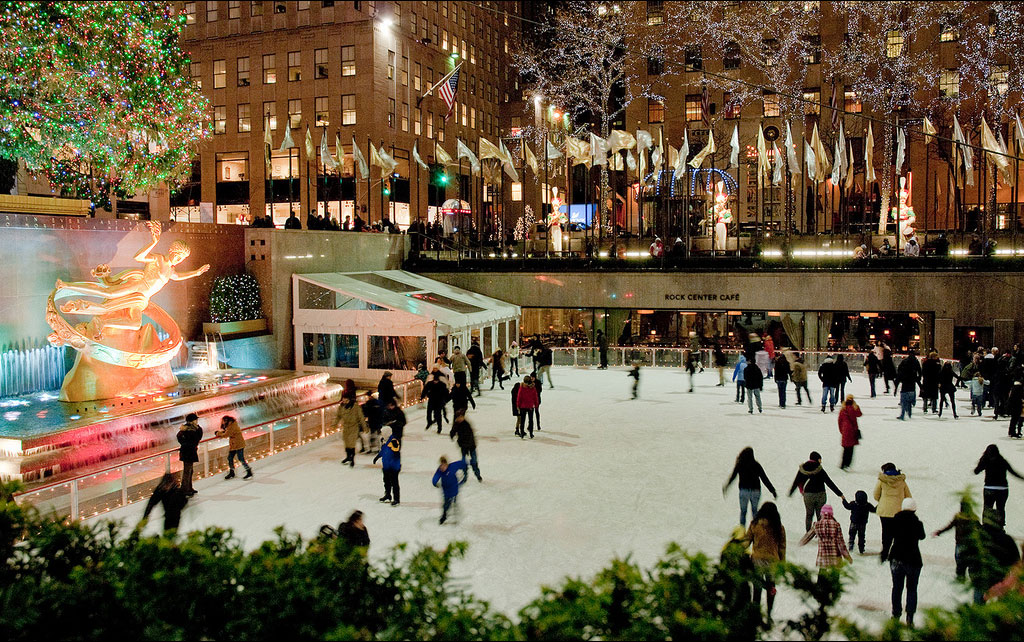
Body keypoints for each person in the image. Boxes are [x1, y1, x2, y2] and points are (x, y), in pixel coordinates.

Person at [744, 502, 786, 621]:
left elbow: (747, 541)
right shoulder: (779, 527)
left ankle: (755, 614)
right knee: (771, 588)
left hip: (757, 560)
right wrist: (782, 564)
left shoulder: (755, 524)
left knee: (757, 588)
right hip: (772, 562)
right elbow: (782, 548)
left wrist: (737, 548)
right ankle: (769, 613)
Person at [970, 508, 1022, 604]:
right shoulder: (1007, 540)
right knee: (1001, 604)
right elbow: (1016, 561)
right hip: (1000, 580)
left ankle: (978, 615)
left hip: (981, 577)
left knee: (978, 604)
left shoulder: (978, 538)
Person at [889, 498, 925, 627]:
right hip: (913, 560)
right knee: (912, 589)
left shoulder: (895, 521)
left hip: (896, 558)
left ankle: (896, 614)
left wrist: (884, 554)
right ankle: (910, 616)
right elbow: (922, 536)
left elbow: (889, 536)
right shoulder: (917, 523)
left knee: (897, 588)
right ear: (914, 509)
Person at [789, 451, 846, 532]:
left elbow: (796, 481)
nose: (821, 461)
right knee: (820, 515)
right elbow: (829, 482)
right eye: (820, 459)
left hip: (808, 495)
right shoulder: (819, 469)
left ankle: (808, 532)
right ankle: (820, 532)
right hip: (820, 494)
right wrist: (840, 494)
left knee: (809, 514)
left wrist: (791, 492)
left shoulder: (802, 469)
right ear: (817, 459)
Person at [723, 447, 778, 526]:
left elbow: (733, 476)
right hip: (755, 491)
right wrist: (772, 490)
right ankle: (754, 530)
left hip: (744, 491)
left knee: (743, 512)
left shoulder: (740, 464)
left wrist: (727, 486)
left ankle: (742, 530)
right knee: (755, 512)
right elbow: (764, 478)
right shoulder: (756, 465)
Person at [973, 443, 1024, 518]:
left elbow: (976, 471)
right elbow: (1013, 472)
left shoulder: (986, 460)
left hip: (989, 488)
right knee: (1000, 508)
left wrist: (982, 462)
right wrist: (1022, 478)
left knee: (987, 508)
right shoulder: (1003, 461)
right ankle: (1001, 526)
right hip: (1003, 489)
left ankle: (986, 525)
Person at [875, 462, 912, 561]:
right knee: (896, 532)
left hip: (884, 511)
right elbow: (908, 496)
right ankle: (893, 554)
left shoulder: (882, 481)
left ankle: (884, 553)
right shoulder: (902, 481)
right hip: (898, 511)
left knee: (885, 532)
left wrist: (882, 501)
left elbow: (876, 495)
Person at [932, 500, 979, 580]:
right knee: (970, 561)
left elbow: (949, 526)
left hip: (960, 543)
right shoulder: (973, 518)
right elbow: (980, 529)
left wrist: (939, 532)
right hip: (970, 544)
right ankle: (971, 576)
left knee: (960, 561)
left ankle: (960, 577)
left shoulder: (958, 517)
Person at [799, 505, 853, 571]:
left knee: (822, 578)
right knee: (835, 579)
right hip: (835, 557)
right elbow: (841, 543)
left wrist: (799, 544)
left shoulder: (817, 525)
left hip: (822, 557)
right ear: (832, 514)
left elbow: (807, 537)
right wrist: (847, 557)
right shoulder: (836, 525)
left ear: (821, 514)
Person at [337, 382, 369, 468]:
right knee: (347, 443)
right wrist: (334, 424)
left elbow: (361, 417)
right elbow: (338, 416)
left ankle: (352, 459)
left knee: (351, 444)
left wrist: (364, 427)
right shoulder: (341, 407)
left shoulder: (355, 407)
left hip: (353, 427)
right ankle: (348, 456)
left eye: (345, 400)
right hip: (346, 427)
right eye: (343, 399)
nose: (344, 401)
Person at [432, 455, 468, 525]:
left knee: (454, 502)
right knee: (446, 504)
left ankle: (456, 515)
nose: (442, 467)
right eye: (441, 466)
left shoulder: (452, 467)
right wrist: (434, 482)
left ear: (446, 464)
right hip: (446, 491)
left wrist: (466, 469)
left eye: (444, 466)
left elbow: (462, 463)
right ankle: (444, 515)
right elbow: (436, 476)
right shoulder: (440, 470)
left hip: (454, 488)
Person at [215, 415, 252, 480]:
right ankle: (232, 472)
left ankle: (249, 471)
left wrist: (217, 433)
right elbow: (226, 432)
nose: (222, 423)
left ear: (226, 421)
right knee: (230, 458)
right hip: (234, 445)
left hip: (238, 445)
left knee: (241, 459)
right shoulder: (231, 425)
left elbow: (226, 434)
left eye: (223, 421)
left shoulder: (232, 426)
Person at [450, 410, 483, 482]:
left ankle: (478, 475)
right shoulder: (456, 425)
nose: (460, 419)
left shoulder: (466, 425)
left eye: (461, 417)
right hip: (464, 447)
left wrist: (467, 445)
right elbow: (452, 431)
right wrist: (452, 435)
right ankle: (465, 476)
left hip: (471, 446)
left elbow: (470, 437)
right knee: (464, 463)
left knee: (474, 462)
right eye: (459, 417)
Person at [176, 412, 203, 497]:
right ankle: (185, 489)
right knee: (187, 471)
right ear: (192, 421)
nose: (197, 421)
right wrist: (187, 444)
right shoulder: (188, 430)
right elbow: (197, 438)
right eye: (196, 419)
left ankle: (189, 488)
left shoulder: (187, 429)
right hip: (188, 452)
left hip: (189, 451)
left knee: (190, 471)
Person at [842, 490, 876, 555]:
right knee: (861, 536)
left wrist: (844, 500)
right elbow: (874, 510)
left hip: (853, 523)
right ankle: (861, 548)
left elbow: (847, 506)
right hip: (863, 524)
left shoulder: (853, 504)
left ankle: (851, 546)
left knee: (852, 535)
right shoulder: (868, 505)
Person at [373, 432, 401, 506]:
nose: (382, 434)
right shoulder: (384, 441)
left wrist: (395, 446)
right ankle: (388, 495)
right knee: (386, 481)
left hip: (393, 467)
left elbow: (396, 449)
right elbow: (383, 451)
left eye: (383, 433)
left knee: (394, 483)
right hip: (386, 466)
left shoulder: (393, 441)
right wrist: (377, 457)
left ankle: (396, 499)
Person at [895, 351, 921, 420]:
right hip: (912, 386)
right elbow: (919, 372)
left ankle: (903, 415)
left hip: (905, 387)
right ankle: (909, 413)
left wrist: (895, 388)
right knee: (909, 402)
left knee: (904, 402)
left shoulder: (904, 363)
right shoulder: (915, 363)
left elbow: (899, 373)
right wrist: (920, 384)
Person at [837, 395, 862, 470]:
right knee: (850, 449)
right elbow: (859, 414)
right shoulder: (853, 408)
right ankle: (847, 464)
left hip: (845, 430)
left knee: (845, 448)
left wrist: (841, 430)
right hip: (852, 429)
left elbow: (839, 421)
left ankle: (843, 464)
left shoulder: (843, 409)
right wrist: (856, 406)